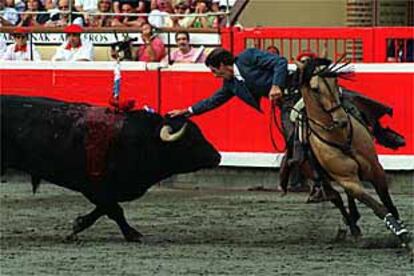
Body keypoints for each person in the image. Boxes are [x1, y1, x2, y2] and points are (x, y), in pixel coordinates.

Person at [167, 47, 286, 129]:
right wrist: (188, 111)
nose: (215, 75)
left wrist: (276, 85)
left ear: (222, 65)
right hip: (285, 104)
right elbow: (213, 101)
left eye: (215, 70)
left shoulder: (247, 57)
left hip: (296, 91)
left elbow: (280, 62)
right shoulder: (231, 84)